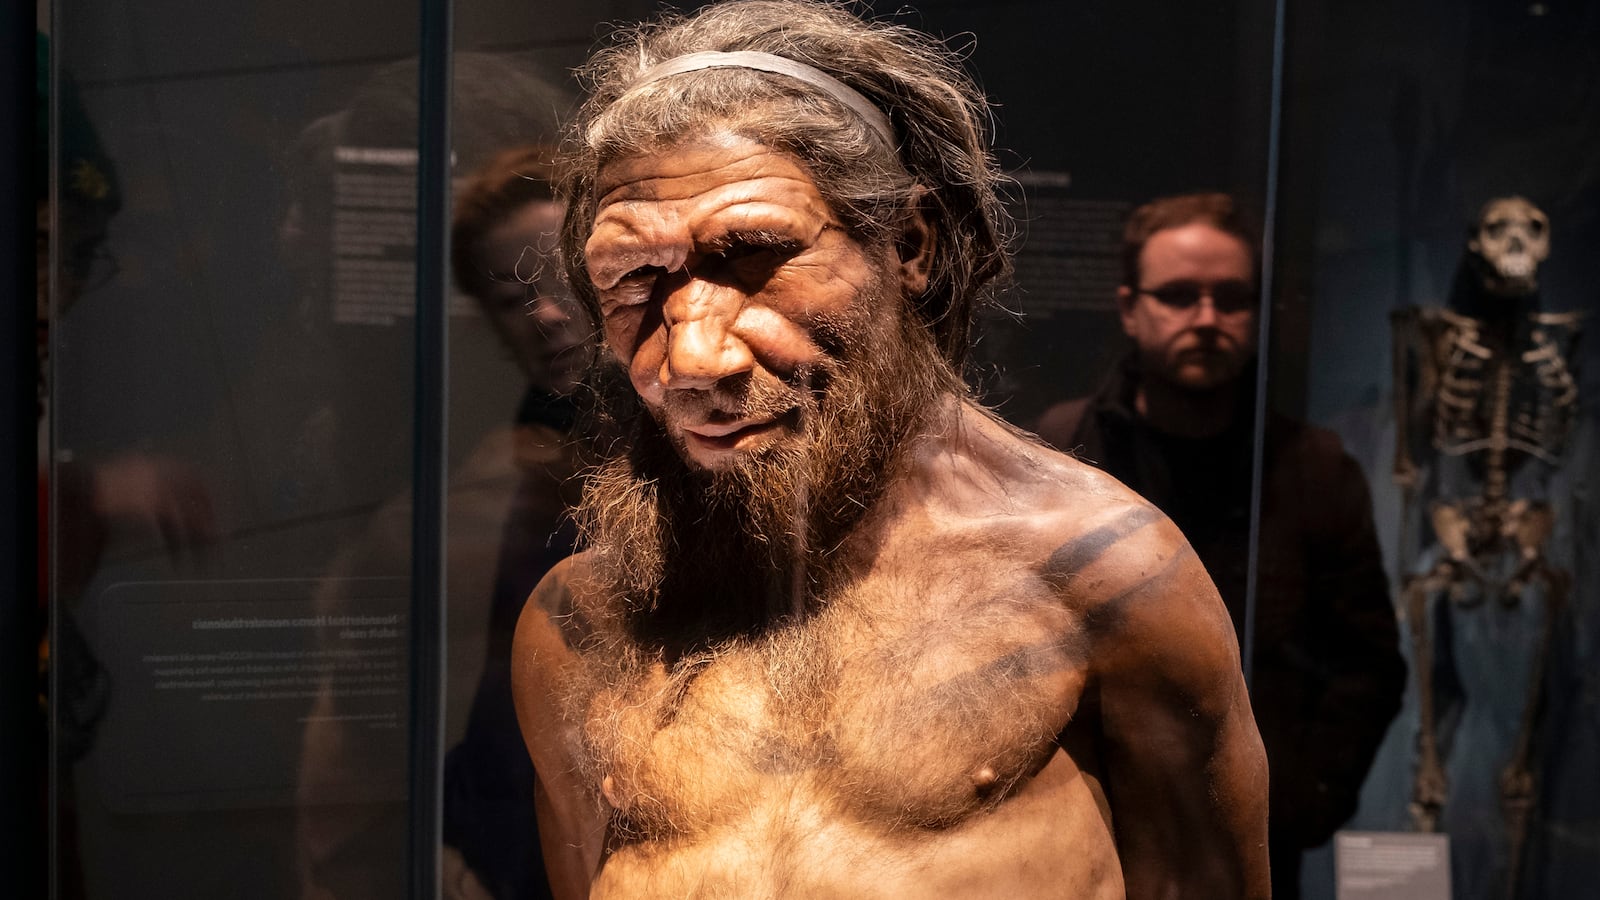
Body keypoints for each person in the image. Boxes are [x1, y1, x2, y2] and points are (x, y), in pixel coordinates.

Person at [512, 3, 1269, 898]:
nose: (692, 360)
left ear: (910, 246)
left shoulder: (1104, 576)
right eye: (635, 278)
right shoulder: (579, 625)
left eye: (755, 254)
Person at [1034, 192, 1407, 898]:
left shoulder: (1314, 468)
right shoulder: (1064, 448)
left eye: (1231, 299)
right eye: (1179, 295)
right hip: (1090, 825)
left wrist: (1299, 801)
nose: (1206, 319)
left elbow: (1367, 662)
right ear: (1130, 308)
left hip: (1258, 831)